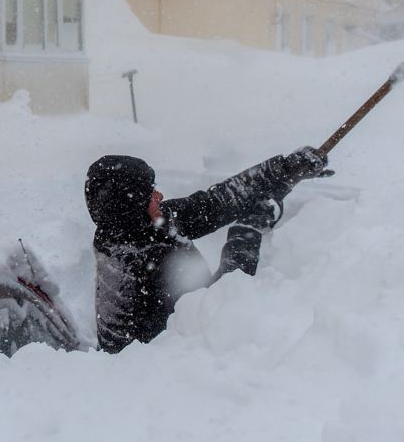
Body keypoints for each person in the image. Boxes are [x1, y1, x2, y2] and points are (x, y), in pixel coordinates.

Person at [84, 148, 331, 353]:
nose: (159, 194)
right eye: (150, 193)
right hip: (173, 372)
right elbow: (219, 306)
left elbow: (215, 204)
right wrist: (248, 230)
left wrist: (285, 171)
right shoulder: (140, 263)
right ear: (132, 204)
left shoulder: (133, 226)